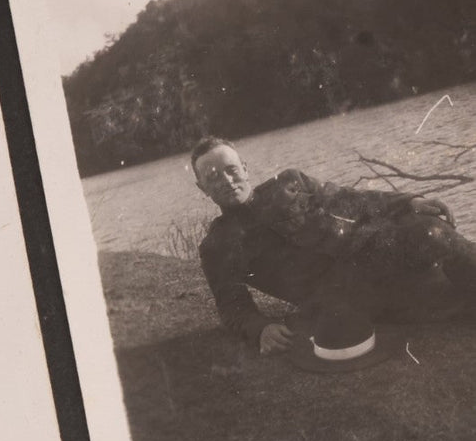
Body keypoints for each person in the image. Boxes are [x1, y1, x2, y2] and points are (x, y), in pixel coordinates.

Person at [191, 136, 476, 354]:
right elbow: (231, 303)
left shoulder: (289, 182)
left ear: (244, 168)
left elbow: (350, 199)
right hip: (341, 300)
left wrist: (408, 202)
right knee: (444, 296)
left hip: (374, 255)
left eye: (231, 169)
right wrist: (260, 329)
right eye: (213, 177)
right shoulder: (218, 244)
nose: (227, 181)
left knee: (430, 232)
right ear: (202, 188)